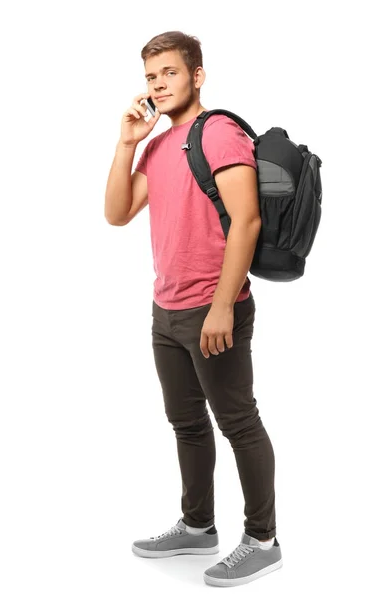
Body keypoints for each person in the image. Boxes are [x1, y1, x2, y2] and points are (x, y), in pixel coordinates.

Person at [104, 30, 283, 588]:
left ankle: (263, 539)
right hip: (166, 309)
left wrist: (224, 306)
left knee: (238, 422)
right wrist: (127, 142)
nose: (159, 85)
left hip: (214, 307)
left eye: (170, 74)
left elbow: (247, 220)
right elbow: (116, 213)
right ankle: (198, 524)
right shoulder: (158, 145)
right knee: (185, 423)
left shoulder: (219, 133)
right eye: (151, 77)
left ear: (197, 75)